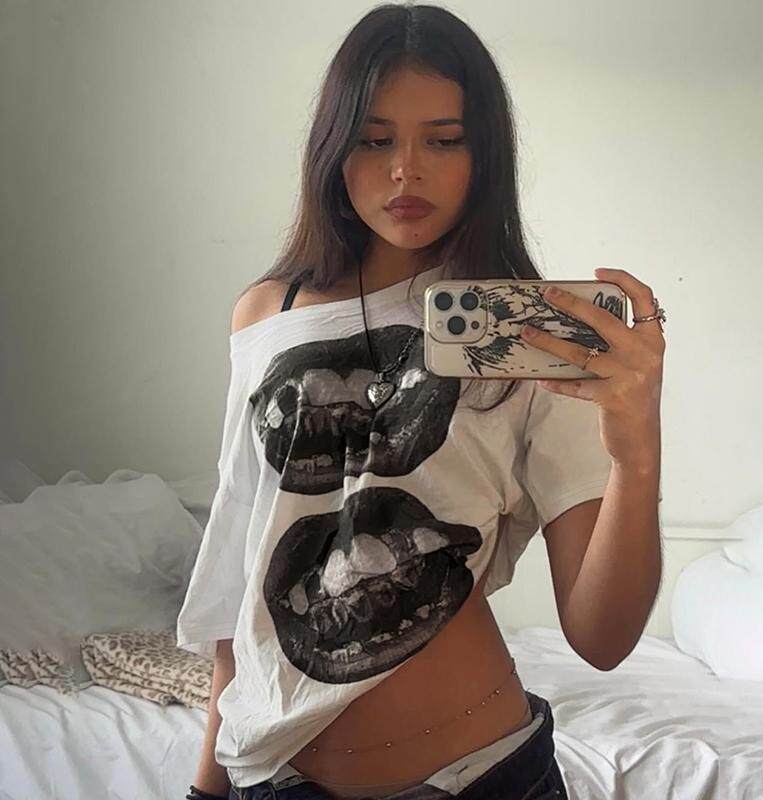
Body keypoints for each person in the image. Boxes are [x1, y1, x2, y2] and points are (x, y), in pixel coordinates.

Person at [177, 4, 666, 800]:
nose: (406, 170)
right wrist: (205, 788)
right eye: (375, 140)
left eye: (443, 139)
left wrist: (637, 453)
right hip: (274, 777)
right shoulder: (266, 313)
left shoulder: (534, 334)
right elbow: (241, 562)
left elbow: (601, 638)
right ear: (334, 150)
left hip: (479, 777)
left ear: (485, 155)